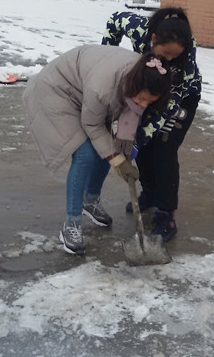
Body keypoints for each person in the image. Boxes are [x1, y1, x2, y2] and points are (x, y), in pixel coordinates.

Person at [22, 44, 172, 255]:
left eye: (150, 101)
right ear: (134, 84)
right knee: (86, 154)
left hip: (84, 93)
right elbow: (92, 124)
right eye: (141, 98)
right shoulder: (103, 87)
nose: (143, 104)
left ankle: (90, 201)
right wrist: (116, 159)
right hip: (56, 90)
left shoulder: (144, 75)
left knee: (106, 148)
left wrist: (123, 156)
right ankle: (72, 224)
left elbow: (126, 122)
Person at [101, 7, 202, 243]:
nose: (170, 59)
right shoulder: (139, 29)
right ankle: (150, 193)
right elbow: (115, 19)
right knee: (145, 149)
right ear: (153, 38)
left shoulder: (184, 64)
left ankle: (166, 214)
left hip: (180, 98)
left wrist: (140, 138)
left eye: (175, 56)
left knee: (164, 149)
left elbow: (168, 108)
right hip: (149, 89)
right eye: (166, 53)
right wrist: (107, 54)